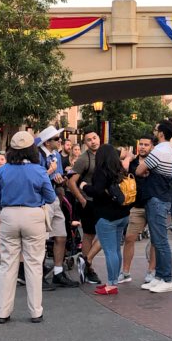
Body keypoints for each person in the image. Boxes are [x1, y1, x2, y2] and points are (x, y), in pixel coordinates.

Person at [0, 131, 56, 323]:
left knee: (8, 264)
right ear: (32, 150)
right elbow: (51, 197)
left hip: (9, 215)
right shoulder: (38, 170)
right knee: (34, 264)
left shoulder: (2, 170)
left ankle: (2, 312)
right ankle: (36, 311)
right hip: (33, 215)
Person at [81, 144, 132, 295]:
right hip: (122, 214)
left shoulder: (101, 172)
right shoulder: (120, 170)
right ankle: (113, 282)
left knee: (110, 251)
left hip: (106, 216)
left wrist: (84, 186)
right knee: (116, 249)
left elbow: (97, 192)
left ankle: (111, 284)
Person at [135, 119, 172, 293]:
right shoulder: (167, 150)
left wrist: (144, 170)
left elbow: (139, 170)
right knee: (157, 239)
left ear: (161, 133)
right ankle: (159, 276)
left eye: (155, 129)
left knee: (160, 241)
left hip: (156, 198)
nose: (154, 130)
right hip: (160, 197)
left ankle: (167, 278)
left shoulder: (159, 150)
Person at [37, 126, 78, 288]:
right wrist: (49, 171)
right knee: (41, 239)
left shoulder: (56, 156)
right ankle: (37, 274)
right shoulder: (37, 156)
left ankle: (58, 272)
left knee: (61, 235)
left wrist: (61, 179)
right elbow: (35, 179)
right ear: (47, 142)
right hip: (41, 201)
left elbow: (58, 177)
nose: (60, 141)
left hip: (54, 198)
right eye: (57, 139)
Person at [67, 130, 103, 285]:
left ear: (99, 138)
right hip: (89, 201)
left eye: (94, 138)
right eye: (89, 140)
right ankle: (88, 269)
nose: (93, 141)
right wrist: (81, 199)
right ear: (85, 143)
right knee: (89, 235)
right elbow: (71, 182)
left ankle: (86, 260)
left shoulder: (105, 153)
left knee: (106, 234)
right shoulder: (83, 159)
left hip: (104, 201)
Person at [123, 136, 156, 284]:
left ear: (152, 147)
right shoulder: (132, 162)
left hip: (153, 205)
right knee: (129, 238)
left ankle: (151, 271)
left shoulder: (156, 163)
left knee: (155, 240)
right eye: (141, 144)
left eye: (146, 145)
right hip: (137, 206)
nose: (142, 147)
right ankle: (125, 272)